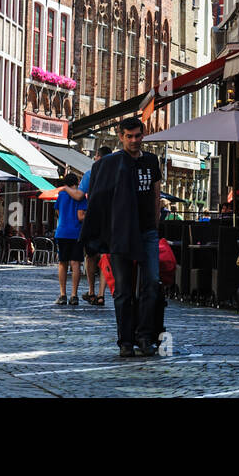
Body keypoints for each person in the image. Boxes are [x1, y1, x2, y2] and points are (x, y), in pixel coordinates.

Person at [79, 120, 161, 357]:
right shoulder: (111, 164)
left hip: (147, 231)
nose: (134, 140)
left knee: (151, 283)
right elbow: (98, 198)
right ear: (121, 136)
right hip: (121, 232)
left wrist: (155, 224)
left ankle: (144, 336)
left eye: (137, 136)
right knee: (123, 289)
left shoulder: (151, 161)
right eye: (129, 136)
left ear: (143, 135)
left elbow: (156, 193)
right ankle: (125, 340)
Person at [78, 145, 112, 306]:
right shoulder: (116, 174)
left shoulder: (90, 173)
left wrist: (66, 190)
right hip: (110, 220)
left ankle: (91, 291)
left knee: (90, 256)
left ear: (98, 157)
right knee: (105, 256)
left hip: (93, 219)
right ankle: (101, 294)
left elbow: (79, 195)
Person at [54, 172, 86, 305]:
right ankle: (74, 295)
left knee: (62, 263)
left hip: (62, 232)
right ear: (76, 183)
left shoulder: (61, 195)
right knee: (75, 264)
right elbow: (80, 216)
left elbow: (58, 212)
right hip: (76, 233)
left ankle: (62, 294)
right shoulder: (80, 196)